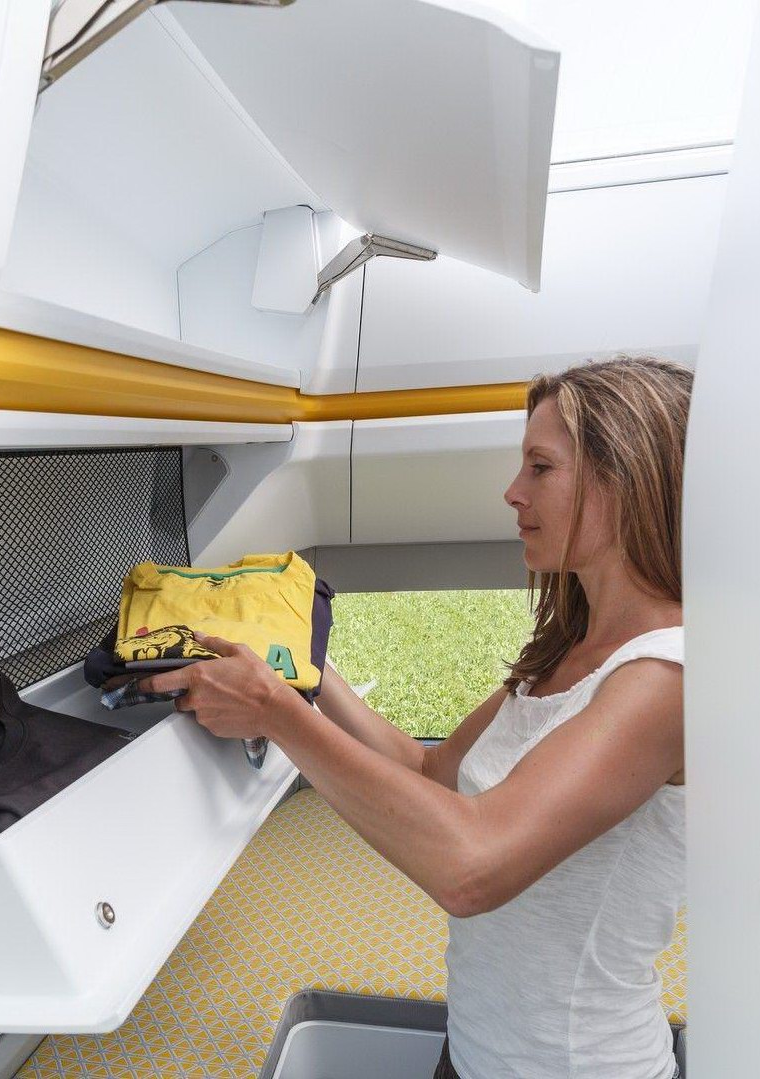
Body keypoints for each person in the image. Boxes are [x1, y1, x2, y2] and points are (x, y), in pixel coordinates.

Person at [138, 355, 689, 1079]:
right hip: (471, 1053)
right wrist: (300, 671)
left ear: (625, 483)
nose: (512, 491)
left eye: (540, 467)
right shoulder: (567, 651)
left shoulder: (668, 677)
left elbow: (472, 866)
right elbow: (428, 768)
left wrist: (274, 713)